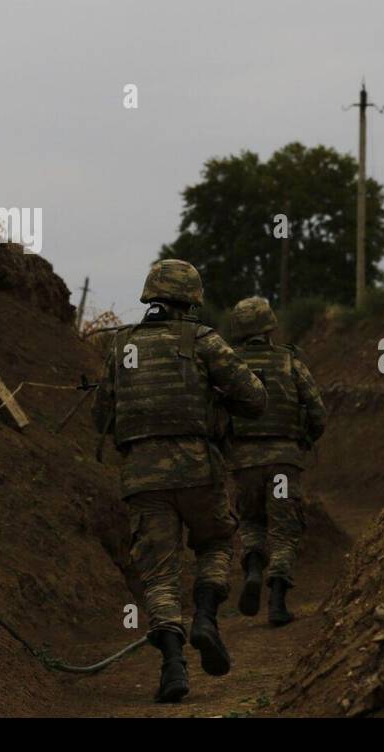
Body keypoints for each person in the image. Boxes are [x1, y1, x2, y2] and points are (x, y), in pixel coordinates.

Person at [92, 260, 265, 703]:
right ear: (191, 300)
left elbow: (102, 418)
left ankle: (172, 664)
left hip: (143, 477)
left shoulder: (121, 345)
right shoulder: (203, 340)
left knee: (159, 574)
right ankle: (206, 618)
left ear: (151, 296)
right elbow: (255, 398)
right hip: (197, 470)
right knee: (215, 544)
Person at [224, 297, 327, 626]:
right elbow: (317, 412)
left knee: (252, 521)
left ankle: (254, 564)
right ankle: (278, 602)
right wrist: (306, 439)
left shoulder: (230, 365)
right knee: (284, 530)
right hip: (284, 461)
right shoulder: (289, 361)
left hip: (245, 464)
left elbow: (216, 413)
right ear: (270, 326)